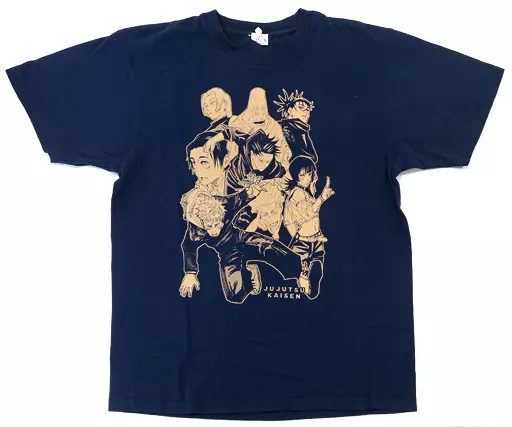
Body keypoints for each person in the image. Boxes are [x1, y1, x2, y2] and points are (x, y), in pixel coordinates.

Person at [180, 132, 307, 304]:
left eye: (204, 162)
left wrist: (253, 193)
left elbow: (240, 198)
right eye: (194, 163)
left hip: (239, 234)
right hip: (226, 251)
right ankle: (250, 272)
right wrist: (190, 273)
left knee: (269, 247)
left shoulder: (228, 194)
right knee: (235, 295)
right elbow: (188, 245)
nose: (198, 170)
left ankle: (302, 271)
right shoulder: (196, 216)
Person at [283, 156, 334, 299]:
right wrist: (321, 198)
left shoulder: (306, 192)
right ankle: (305, 280)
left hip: (315, 239)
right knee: (304, 272)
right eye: (302, 175)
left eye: (310, 173)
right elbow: (307, 213)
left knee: (316, 269)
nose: (308, 178)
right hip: (302, 242)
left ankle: (310, 284)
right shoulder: (297, 193)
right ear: (296, 177)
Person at [274, 88, 318, 163]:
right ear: (290, 110)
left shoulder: (303, 131)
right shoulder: (280, 127)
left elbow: (313, 157)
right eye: (301, 107)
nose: (306, 112)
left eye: (308, 109)